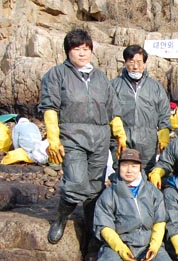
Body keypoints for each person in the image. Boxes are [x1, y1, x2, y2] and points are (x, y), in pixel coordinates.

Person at [39, 29, 127, 244]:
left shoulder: (100, 77)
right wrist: (53, 138)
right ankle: (60, 218)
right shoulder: (57, 74)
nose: (82, 53)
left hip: (99, 138)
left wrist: (120, 135)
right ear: (68, 51)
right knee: (76, 183)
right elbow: (50, 107)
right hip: (72, 137)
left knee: (95, 186)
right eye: (76, 49)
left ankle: (91, 226)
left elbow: (112, 109)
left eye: (86, 49)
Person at [111, 45, 171, 173]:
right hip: (122, 140)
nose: (135, 66)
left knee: (146, 174)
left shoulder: (155, 87)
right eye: (131, 62)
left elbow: (164, 113)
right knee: (122, 172)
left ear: (144, 64)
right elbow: (108, 111)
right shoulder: (114, 85)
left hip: (147, 141)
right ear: (125, 63)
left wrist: (164, 134)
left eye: (139, 62)